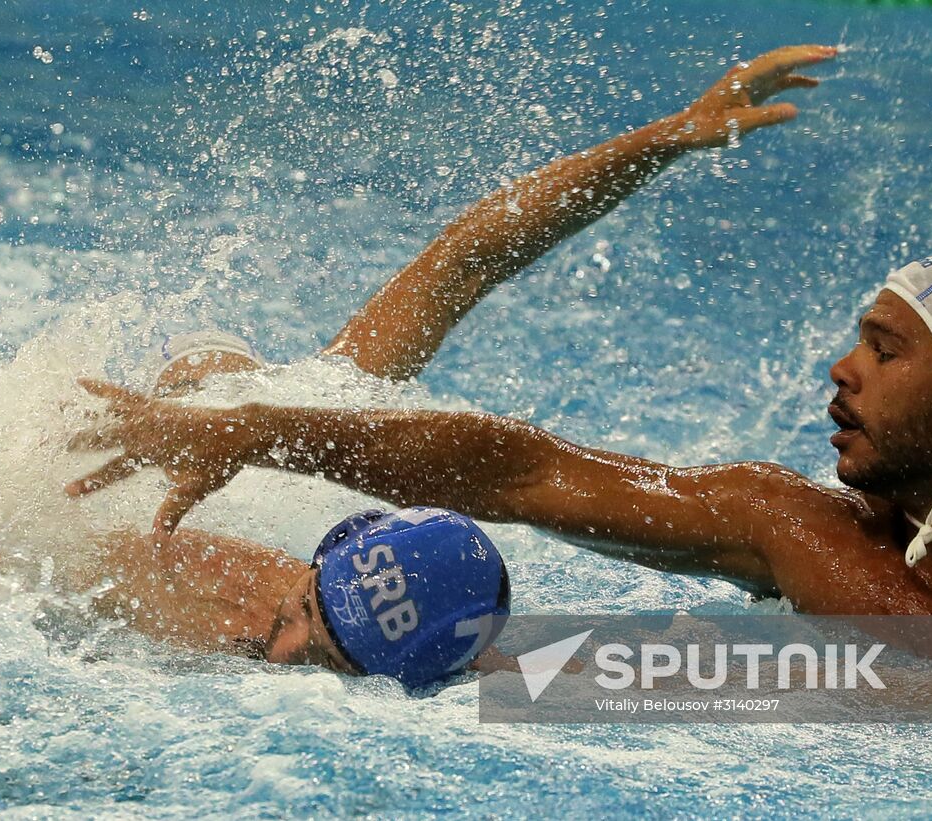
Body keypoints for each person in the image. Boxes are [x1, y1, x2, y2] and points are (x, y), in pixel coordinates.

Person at [66, 121, 932, 618]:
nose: (840, 370)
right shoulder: (795, 533)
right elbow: (517, 469)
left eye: (884, 349)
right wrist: (252, 425)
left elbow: (463, 268)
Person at [45, 43, 837, 682]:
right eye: (297, 613)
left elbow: (468, 263)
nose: (280, 647)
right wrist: (656, 138)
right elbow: (467, 260)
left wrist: (663, 140)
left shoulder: (325, 464)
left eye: (321, 647)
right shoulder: (272, 440)